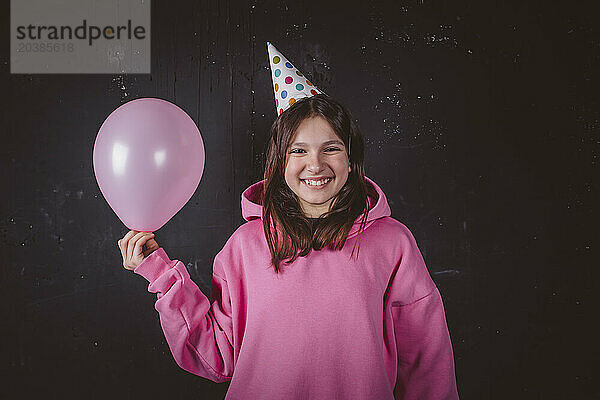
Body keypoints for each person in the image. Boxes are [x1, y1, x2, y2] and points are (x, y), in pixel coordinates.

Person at [118, 43, 459, 399]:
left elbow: (425, 359)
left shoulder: (393, 243)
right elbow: (217, 357)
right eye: (298, 150)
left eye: (331, 148)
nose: (315, 165)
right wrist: (161, 275)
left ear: (350, 158)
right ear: (280, 162)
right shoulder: (245, 246)